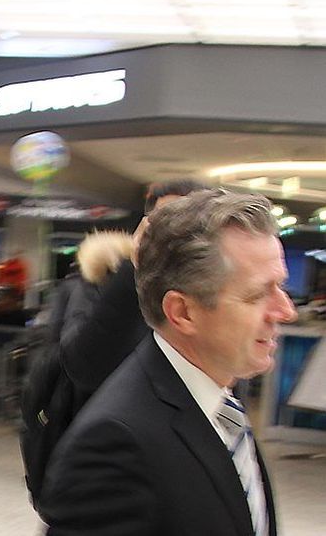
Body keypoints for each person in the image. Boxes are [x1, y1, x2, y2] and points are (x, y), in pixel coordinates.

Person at [40, 189, 295, 535]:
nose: (285, 311)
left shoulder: (220, 404)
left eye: (280, 287)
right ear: (183, 312)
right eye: (256, 295)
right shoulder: (116, 444)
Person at [60, 178, 208, 400]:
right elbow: (83, 368)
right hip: (113, 420)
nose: (173, 234)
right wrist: (134, 268)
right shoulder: (105, 274)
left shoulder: (214, 290)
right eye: (165, 220)